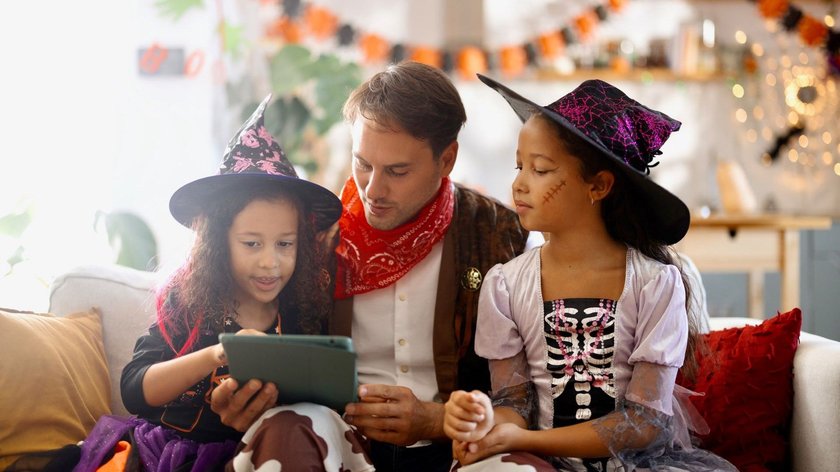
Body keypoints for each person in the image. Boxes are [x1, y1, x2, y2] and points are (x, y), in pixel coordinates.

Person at [210, 61, 530, 471]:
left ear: (446, 159)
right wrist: (244, 398)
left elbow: (521, 397)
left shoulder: (500, 236)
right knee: (287, 426)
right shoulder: (314, 236)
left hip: (457, 446)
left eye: (397, 171)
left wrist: (436, 420)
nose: (373, 190)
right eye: (363, 164)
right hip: (340, 440)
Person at [441, 76, 738, 471]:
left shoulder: (654, 285)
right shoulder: (506, 284)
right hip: (541, 462)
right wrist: (485, 421)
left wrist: (526, 438)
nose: (519, 184)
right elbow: (514, 404)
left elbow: (645, 423)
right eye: (519, 166)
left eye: (541, 169)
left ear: (597, 185)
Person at [72, 95, 359, 471]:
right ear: (218, 243)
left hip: (264, 453)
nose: (270, 261)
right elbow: (134, 388)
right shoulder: (191, 299)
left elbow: (322, 400)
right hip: (174, 454)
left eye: (285, 244)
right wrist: (219, 354)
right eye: (251, 244)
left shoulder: (300, 310)